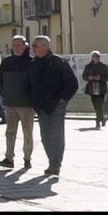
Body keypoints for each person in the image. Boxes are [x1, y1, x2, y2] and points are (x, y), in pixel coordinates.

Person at [26, 36, 78, 178]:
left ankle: (55, 164)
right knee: (45, 136)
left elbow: (72, 83)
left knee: (57, 135)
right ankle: (52, 161)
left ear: (44, 46)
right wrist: (33, 101)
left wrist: (63, 100)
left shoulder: (58, 62)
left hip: (57, 105)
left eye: (35, 45)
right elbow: (29, 85)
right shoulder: (32, 64)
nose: (33, 48)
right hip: (41, 106)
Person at [0, 35, 34, 170]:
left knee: (27, 133)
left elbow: (35, 83)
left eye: (19, 45)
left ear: (25, 46)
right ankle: (8, 158)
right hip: (10, 103)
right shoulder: (6, 62)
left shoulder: (32, 62)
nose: (17, 48)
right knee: (10, 132)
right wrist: (3, 93)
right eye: (14, 45)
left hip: (26, 105)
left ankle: (27, 158)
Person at [81, 51, 108, 128]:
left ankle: (98, 120)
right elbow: (84, 76)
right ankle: (101, 118)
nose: (96, 58)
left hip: (101, 88)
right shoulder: (88, 66)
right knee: (95, 105)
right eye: (95, 56)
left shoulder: (104, 66)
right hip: (92, 88)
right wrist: (89, 77)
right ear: (92, 57)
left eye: (98, 56)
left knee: (100, 104)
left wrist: (100, 78)